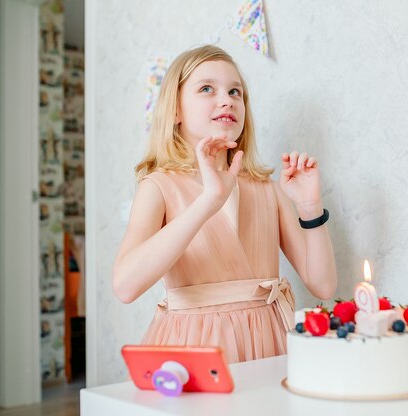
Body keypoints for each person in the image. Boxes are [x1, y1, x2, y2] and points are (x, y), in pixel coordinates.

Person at [112, 45, 337, 363]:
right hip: (195, 351)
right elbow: (125, 286)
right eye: (206, 88)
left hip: (270, 346)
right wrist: (208, 201)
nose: (227, 99)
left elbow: (323, 285)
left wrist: (310, 207)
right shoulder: (158, 187)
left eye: (236, 91)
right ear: (175, 111)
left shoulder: (268, 190)